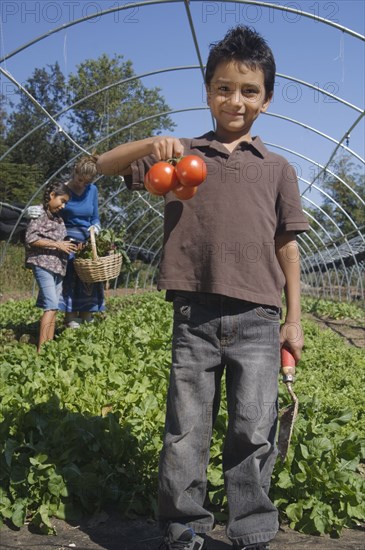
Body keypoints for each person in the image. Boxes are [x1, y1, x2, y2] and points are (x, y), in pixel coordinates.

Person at [96, 25, 309, 550]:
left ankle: (252, 528)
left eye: (248, 90)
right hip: (195, 315)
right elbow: (100, 166)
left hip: (260, 318)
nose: (234, 99)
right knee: (187, 430)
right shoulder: (178, 158)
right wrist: (152, 141)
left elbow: (288, 248)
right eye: (222, 87)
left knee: (251, 431)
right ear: (208, 90)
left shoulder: (278, 169)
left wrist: (294, 317)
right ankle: (183, 526)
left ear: (267, 100)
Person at [25, 182, 77, 352]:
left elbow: (61, 240)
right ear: (52, 195)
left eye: (66, 203)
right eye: (62, 201)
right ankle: (41, 350)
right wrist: (57, 245)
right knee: (52, 305)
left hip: (58, 267)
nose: (63, 206)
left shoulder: (58, 219)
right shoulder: (39, 213)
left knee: (54, 308)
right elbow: (31, 238)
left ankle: (48, 348)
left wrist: (72, 245)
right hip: (43, 263)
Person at [58, 155, 105, 328]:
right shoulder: (63, 189)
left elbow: (95, 217)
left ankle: (87, 314)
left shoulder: (92, 190)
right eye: (80, 179)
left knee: (88, 278)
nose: (82, 184)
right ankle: (70, 317)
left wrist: (95, 227)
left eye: (87, 181)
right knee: (70, 278)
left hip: (86, 241)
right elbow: (54, 212)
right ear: (74, 172)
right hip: (67, 241)